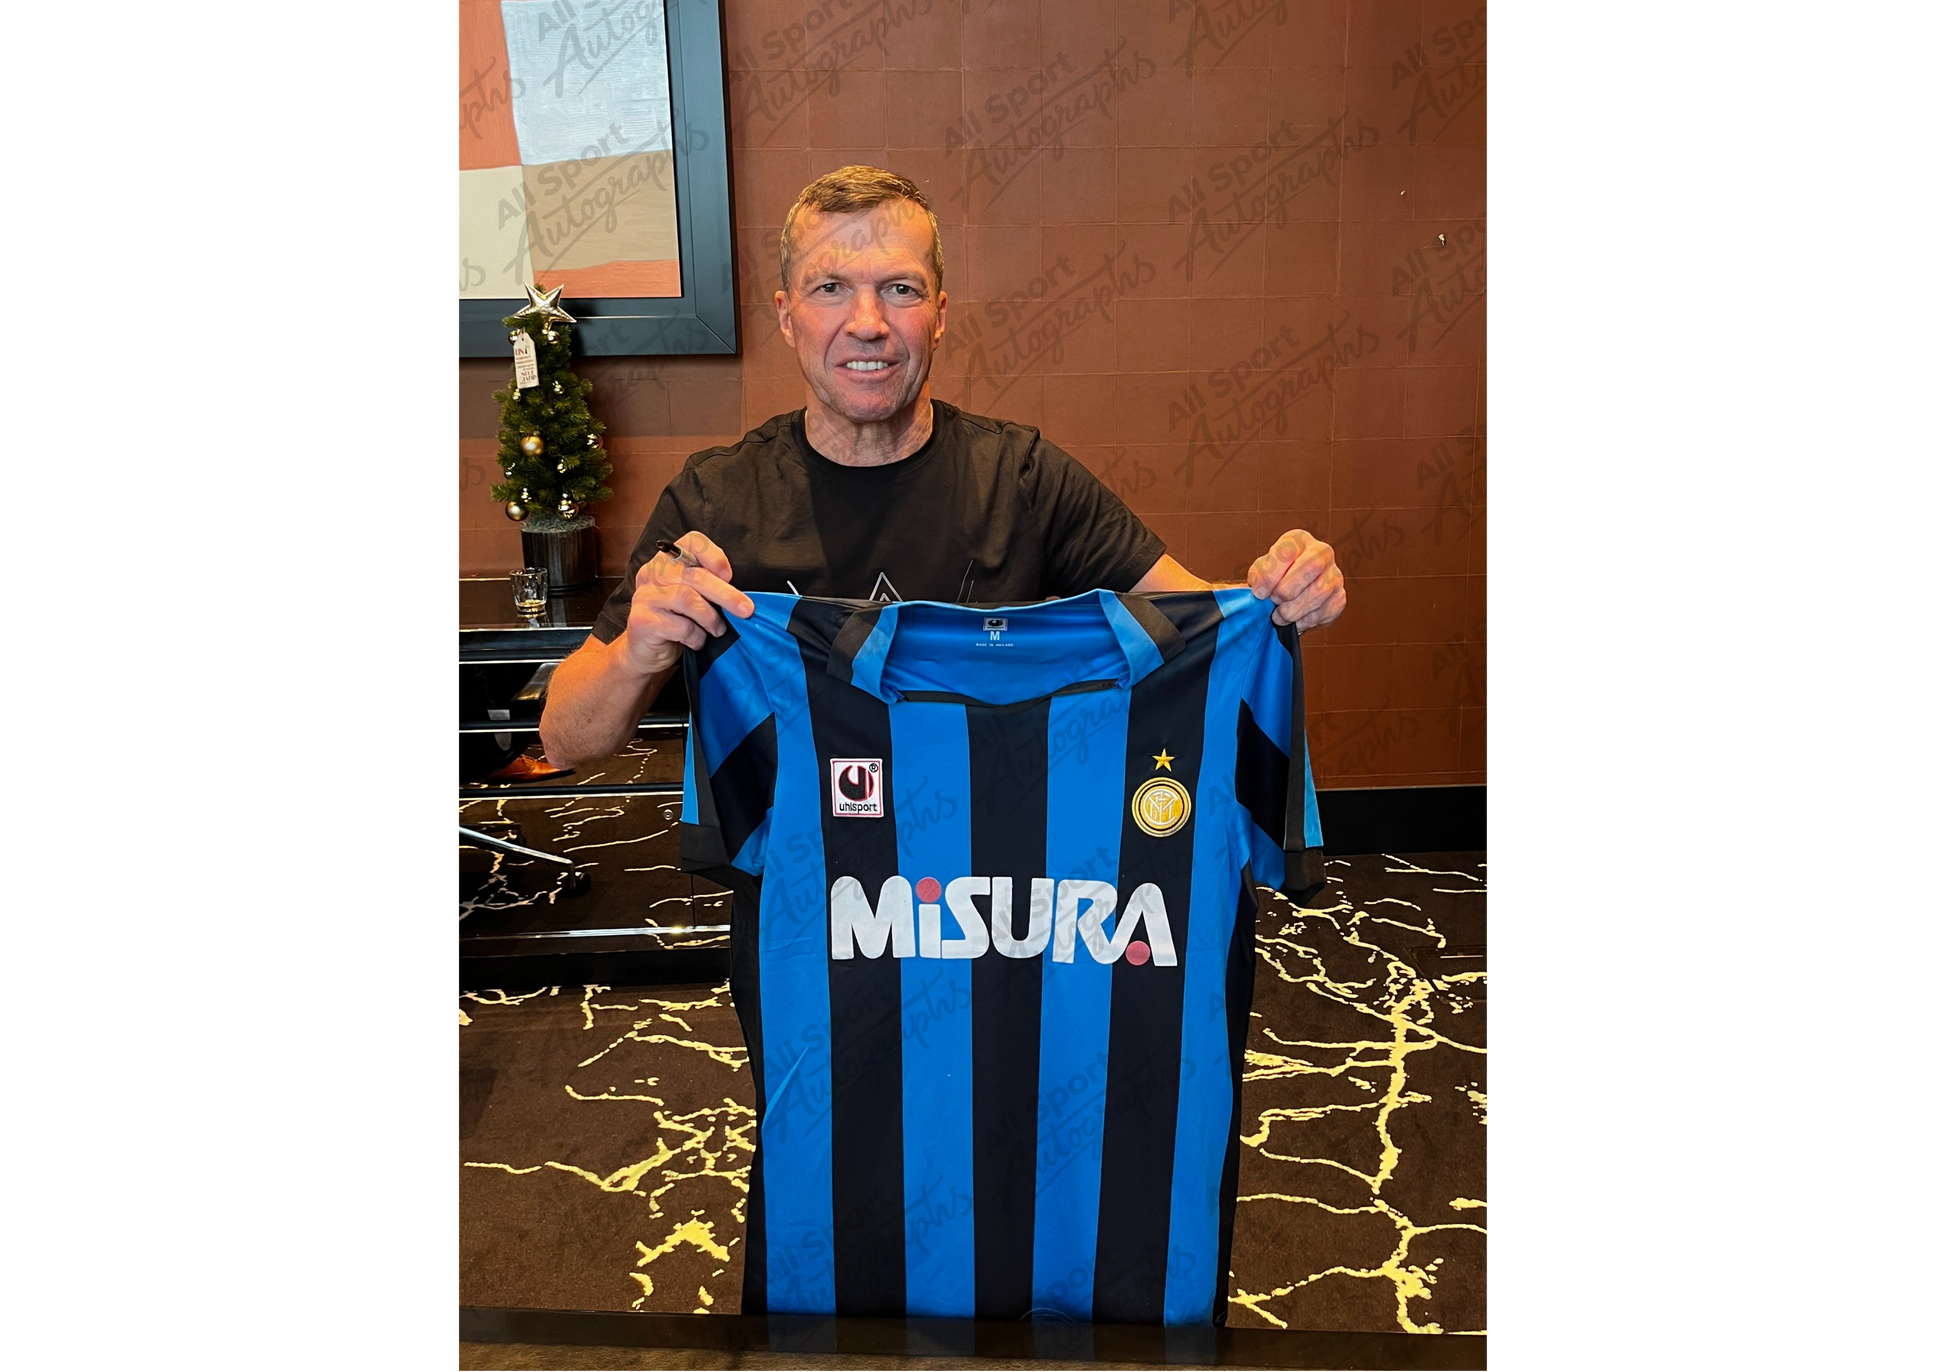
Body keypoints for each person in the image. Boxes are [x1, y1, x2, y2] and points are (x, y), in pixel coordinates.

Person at [539, 166, 1345, 769]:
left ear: (940, 315)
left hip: (996, 892)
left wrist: (1282, 594)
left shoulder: (1022, 478)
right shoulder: (715, 497)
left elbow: (1204, 623)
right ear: (786, 317)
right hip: (801, 908)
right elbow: (566, 740)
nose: (867, 323)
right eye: (830, 288)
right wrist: (639, 649)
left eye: (900, 288)